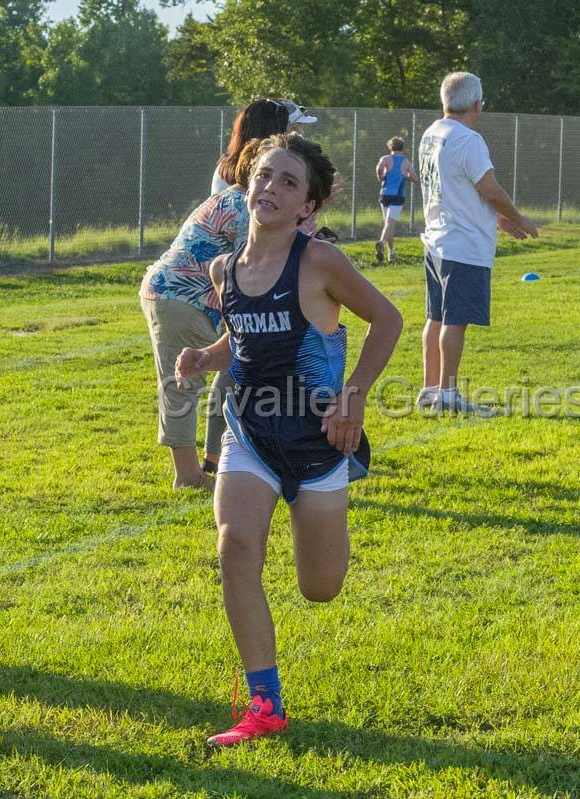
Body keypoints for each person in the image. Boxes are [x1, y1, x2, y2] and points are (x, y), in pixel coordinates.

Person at [176, 133, 403, 745]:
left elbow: (388, 319)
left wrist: (353, 394)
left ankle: (331, 513)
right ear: (246, 182)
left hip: (319, 441)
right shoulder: (227, 268)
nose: (271, 188)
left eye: (289, 182)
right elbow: (245, 341)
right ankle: (264, 702)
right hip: (247, 433)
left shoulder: (321, 262)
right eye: (265, 175)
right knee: (235, 548)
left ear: (307, 206)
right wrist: (206, 355)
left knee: (319, 587)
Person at [140, 140, 263, 489]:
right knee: (181, 385)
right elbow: (254, 263)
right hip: (179, 296)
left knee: (234, 370)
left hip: (184, 297)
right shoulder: (242, 205)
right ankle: (188, 475)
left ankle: (217, 457)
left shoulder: (236, 199)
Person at [416, 72, 539, 414]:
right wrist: (518, 217)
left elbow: (456, 189)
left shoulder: (431, 133)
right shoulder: (468, 139)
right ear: (476, 104)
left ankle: (430, 389)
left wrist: (497, 219)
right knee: (455, 320)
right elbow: (490, 190)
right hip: (463, 243)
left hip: (438, 237)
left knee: (436, 317)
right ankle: (449, 394)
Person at [210, 99, 316, 195]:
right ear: (272, 133)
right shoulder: (258, 168)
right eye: (288, 128)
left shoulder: (228, 164)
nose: (296, 135)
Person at [374, 136, 418, 263]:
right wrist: (407, 176)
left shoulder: (385, 159)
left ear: (390, 147)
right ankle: (381, 243)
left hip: (384, 194)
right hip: (398, 196)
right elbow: (415, 178)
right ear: (403, 147)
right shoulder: (406, 162)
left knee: (388, 225)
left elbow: (378, 168)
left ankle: (391, 253)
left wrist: (380, 177)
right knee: (389, 224)